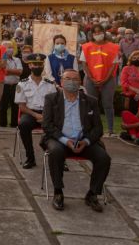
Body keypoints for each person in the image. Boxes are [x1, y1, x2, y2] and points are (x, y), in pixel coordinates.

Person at [41, 69, 110, 212]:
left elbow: (98, 129)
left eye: (75, 79)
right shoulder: (51, 99)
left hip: (84, 140)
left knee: (104, 158)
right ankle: (58, 192)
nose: (71, 82)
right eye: (68, 79)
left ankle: (92, 194)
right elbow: (47, 125)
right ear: (61, 81)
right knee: (55, 152)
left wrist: (85, 142)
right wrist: (66, 141)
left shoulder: (91, 101)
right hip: (59, 139)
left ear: (80, 82)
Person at [14, 54, 59, 169]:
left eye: (40, 64)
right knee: (23, 125)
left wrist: (45, 115)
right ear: (29, 65)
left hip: (48, 113)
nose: (38, 66)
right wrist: (36, 115)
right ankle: (30, 158)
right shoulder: (22, 84)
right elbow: (22, 107)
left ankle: (59, 158)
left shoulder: (50, 84)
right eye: (35, 64)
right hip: (30, 113)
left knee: (60, 124)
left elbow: (55, 105)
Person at [79, 24, 120, 135]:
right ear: (92, 34)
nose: (97, 34)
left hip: (108, 79)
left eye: (99, 31)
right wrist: (91, 78)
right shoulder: (86, 46)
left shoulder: (113, 47)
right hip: (91, 79)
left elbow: (114, 65)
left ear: (104, 32)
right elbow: (84, 64)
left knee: (108, 104)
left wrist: (105, 79)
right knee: (90, 104)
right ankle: (90, 129)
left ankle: (111, 130)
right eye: (95, 32)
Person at [0, 40, 23, 128]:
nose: (8, 49)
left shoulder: (17, 60)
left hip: (15, 85)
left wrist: (8, 71)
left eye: (10, 47)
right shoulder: (0, 60)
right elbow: (2, 72)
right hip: (3, 85)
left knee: (15, 106)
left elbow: (20, 72)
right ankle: (3, 125)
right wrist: (14, 71)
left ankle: (14, 124)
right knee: (3, 106)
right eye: (6, 47)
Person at [120, 50, 139, 115]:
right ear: (131, 59)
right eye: (134, 58)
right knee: (131, 118)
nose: (136, 59)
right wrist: (136, 90)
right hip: (131, 97)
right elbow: (123, 83)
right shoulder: (126, 69)